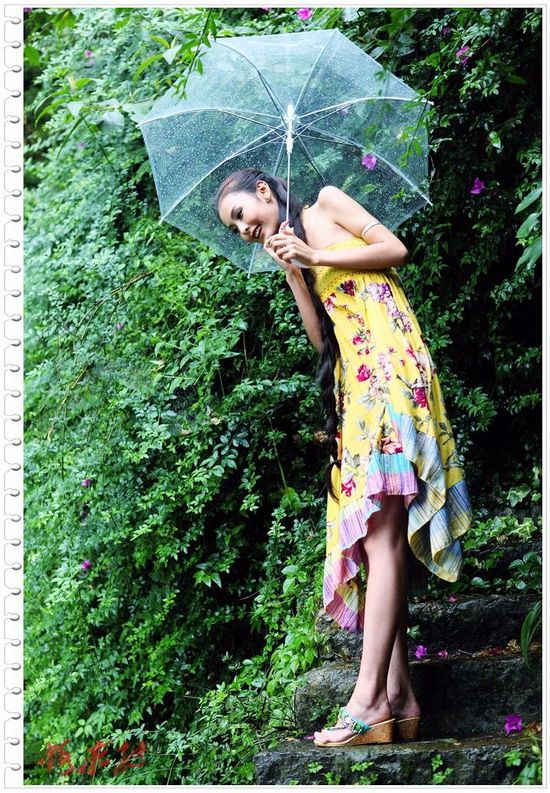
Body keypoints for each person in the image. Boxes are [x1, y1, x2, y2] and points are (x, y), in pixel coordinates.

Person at [215, 168, 472, 748]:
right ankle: (399, 695)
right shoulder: (289, 254)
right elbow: (320, 338)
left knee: (381, 538)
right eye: (235, 231)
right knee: (375, 538)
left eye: (241, 216)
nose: (244, 230)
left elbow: (395, 250)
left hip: (393, 371)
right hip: (355, 389)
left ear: (264, 192)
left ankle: (366, 701)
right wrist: (299, 272)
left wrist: (314, 248)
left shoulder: (329, 202)